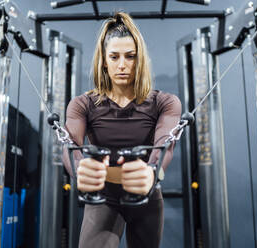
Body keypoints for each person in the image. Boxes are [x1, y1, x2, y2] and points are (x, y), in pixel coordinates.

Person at [63, 12, 181, 248]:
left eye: (130, 56)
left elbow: (165, 144)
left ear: (139, 60)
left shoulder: (165, 102)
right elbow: (70, 145)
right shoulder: (83, 104)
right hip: (104, 195)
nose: (122, 64)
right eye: (114, 57)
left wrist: (152, 171)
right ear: (104, 60)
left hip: (145, 192)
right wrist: (78, 169)